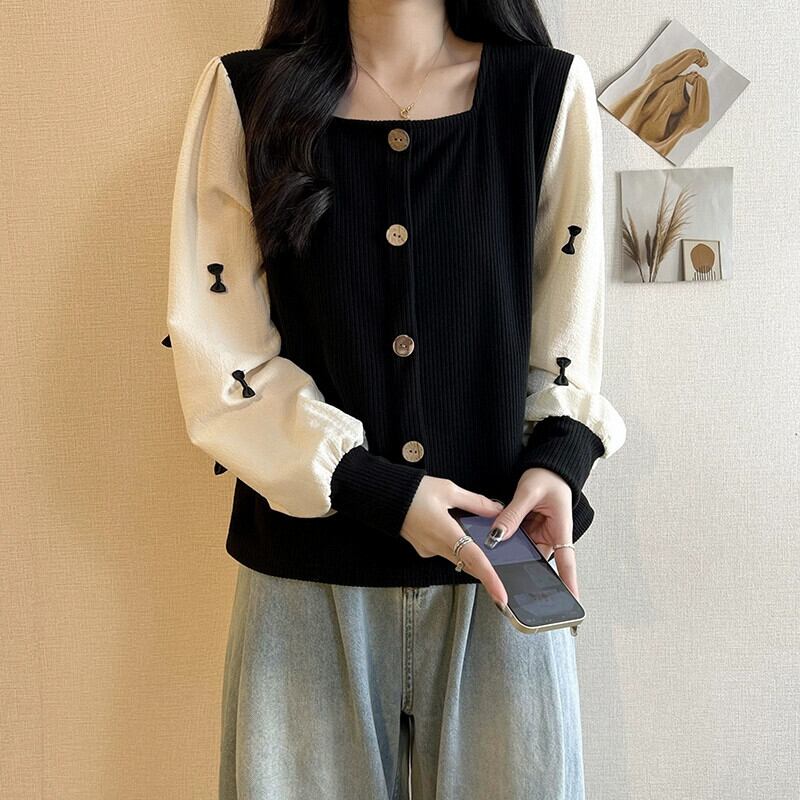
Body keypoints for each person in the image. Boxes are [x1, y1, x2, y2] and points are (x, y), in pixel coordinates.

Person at [166, 1, 626, 797]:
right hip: (307, 584)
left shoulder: (545, 94)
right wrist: (378, 490)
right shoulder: (245, 97)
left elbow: (568, 329)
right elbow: (222, 359)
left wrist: (559, 459)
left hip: (499, 573)